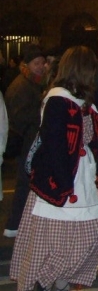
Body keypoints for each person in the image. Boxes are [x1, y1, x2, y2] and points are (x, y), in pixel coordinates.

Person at [10, 46, 98, 291]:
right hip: (60, 185)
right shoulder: (57, 100)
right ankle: (47, 284)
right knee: (55, 247)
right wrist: (63, 185)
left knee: (85, 238)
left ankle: (60, 283)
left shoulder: (84, 100)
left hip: (81, 179)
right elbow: (54, 147)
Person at [4, 44, 47, 238]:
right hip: (25, 143)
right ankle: (14, 224)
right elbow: (19, 117)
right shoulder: (23, 85)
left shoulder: (32, 82)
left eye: (42, 62)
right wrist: (41, 113)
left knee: (27, 184)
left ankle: (19, 223)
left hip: (27, 141)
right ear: (26, 65)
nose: (40, 66)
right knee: (24, 184)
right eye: (36, 63)